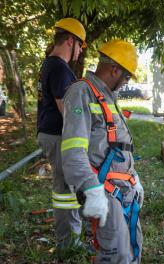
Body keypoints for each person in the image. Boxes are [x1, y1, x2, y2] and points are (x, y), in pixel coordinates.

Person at [61, 39, 144, 263]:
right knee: (117, 254)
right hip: (104, 189)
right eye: (126, 77)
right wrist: (91, 188)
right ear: (114, 69)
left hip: (123, 187)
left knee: (133, 245)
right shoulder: (82, 92)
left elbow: (115, 142)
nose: (126, 82)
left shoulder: (107, 95)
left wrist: (133, 177)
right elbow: (72, 151)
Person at [36, 17, 86, 253]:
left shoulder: (50, 64)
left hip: (50, 134)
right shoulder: (59, 67)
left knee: (67, 188)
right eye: (80, 46)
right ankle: (68, 246)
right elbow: (67, 112)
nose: (80, 52)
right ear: (70, 40)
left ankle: (71, 239)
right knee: (66, 192)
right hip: (57, 136)